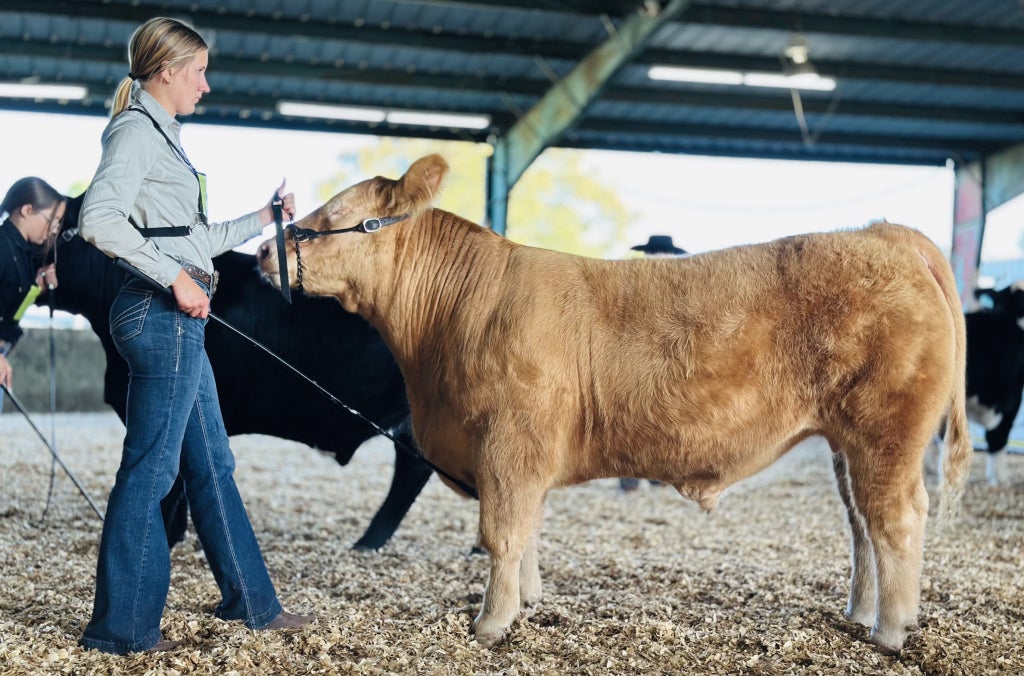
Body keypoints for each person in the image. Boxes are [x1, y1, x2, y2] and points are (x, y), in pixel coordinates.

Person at [78, 16, 313, 654]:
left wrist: (264, 220)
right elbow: (96, 218)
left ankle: (253, 604)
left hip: (177, 317)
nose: (206, 86)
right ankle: (121, 629)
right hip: (157, 313)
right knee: (150, 471)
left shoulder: (164, 138)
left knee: (212, 463)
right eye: (200, 72)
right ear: (168, 71)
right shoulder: (135, 132)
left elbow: (194, 241)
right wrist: (174, 279)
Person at [619, 234, 688, 492]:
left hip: (666, 360)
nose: (659, 258)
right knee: (629, 417)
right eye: (654, 254)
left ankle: (657, 476)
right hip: (636, 359)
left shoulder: (680, 286)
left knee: (665, 418)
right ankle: (630, 480)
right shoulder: (633, 283)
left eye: (662, 254)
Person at [0, 177, 64, 406]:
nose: (55, 229)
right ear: (27, 210)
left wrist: (37, 290)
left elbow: (11, 313)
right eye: (53, 220)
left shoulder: (26, 255)